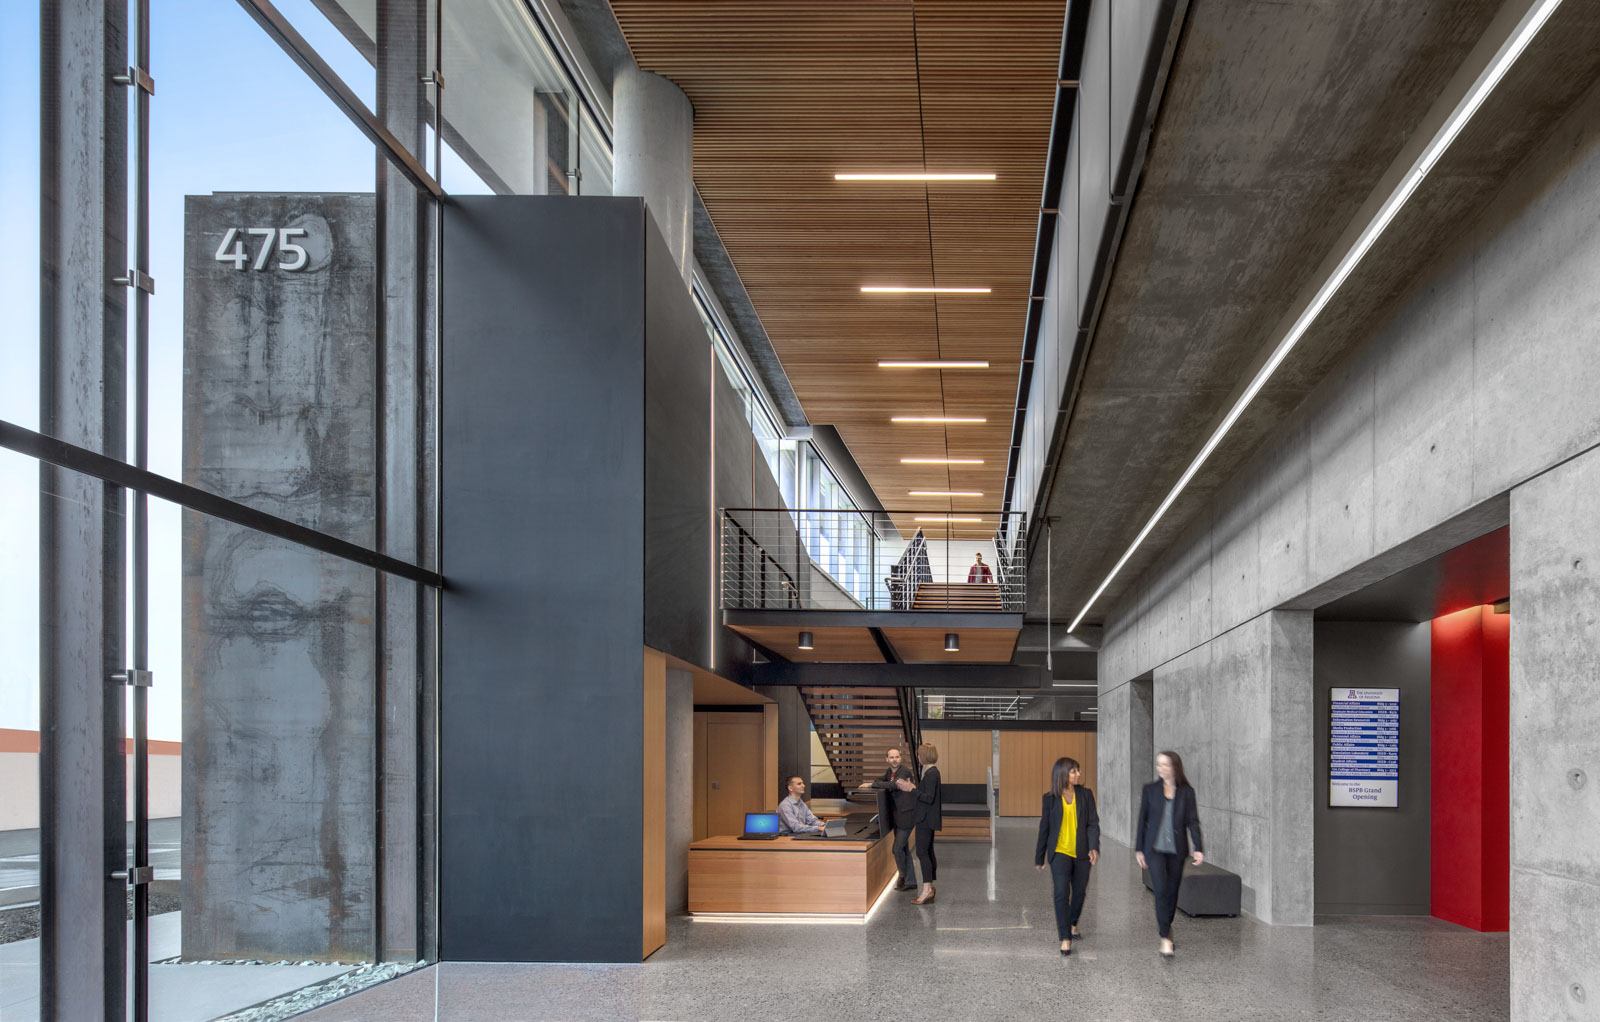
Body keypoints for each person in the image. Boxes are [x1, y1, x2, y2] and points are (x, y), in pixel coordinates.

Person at [1135, 750, 1204, 957]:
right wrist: (1139, 848)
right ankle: (1165, 936)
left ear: (1175, 767)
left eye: (1165, 764)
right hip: (1154, 849)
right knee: (1161, 889)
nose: (1161, 768)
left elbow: (1193, 821)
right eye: (1158, 765)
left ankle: (1167, 924)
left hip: (1177, 850)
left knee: (1172, 892)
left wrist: (1198, 847)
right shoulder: (1150, 790)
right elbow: (1142, 821)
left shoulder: (1187, 792)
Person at [1034, 756, 1100, 956]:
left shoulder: (1086, 795)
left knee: (1079, 893)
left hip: (1081, 853)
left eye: (1078, 771)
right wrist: (1040, 856)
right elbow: (1044, 827)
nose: (1078, 774)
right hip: (1060, 852)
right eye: (1074, 771)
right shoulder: (1050, 798)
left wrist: (1093, 847)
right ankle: (1065, 937)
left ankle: (1072, 923)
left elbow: (1092, 824)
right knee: (1061, 893)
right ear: (1062, 773)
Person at [863, 746, 918, 889]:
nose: (895, 759)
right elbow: (882, 780)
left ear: (901, 758)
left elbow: (894, 785)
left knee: (897, 849)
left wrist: (872, 784)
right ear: (887, 759)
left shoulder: (905, 771)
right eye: (892, 757)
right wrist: (874, 782)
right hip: (897, 817)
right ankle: (910, 881)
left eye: (897, 757)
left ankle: (903, 876)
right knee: (903, 849)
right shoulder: (889, 772)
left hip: (906, 817)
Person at [896, 742, 942, 904]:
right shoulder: (929, 772)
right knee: (927, 851)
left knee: (922, 852)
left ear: (923, 756)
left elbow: (928, 798)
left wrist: (911, 789)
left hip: (926, 819)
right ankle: (929, 887)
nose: (917, 757)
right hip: (926, 818)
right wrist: (914, 787)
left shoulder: (931, 774)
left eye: (918, 754)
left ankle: (927, 889)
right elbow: (926, 793)